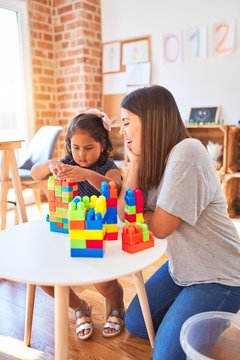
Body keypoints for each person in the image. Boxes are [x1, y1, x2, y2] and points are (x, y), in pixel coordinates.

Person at [117, 85, 240, 360]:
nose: (121, 131)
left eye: (126, 123)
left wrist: (146, 215)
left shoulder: (187, 152)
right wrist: (134, 163)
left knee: (165, 356)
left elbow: (161, 227)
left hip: (220, 276)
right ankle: (190, 312)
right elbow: (126, 213)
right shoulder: (153, 159)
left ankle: (205, 320)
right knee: (136, 323)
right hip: (182, 269)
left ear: (149, 120)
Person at [31, 109, 124, 341]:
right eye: (76, 148)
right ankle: (80, 306)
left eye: (88, 148)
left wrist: (85, 175)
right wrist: (52, 163)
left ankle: (118, 307)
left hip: (97, 232)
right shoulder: (67, 163)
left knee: (104, 281)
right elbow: (34, 173)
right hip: (66, 231)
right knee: (43, 278)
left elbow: (115, 187)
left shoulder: (108, 166)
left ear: (102, 144)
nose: (81, 155)